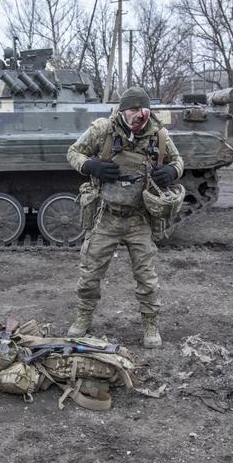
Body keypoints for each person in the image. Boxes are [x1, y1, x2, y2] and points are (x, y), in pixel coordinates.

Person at [66, 86, 184, 348]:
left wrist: (171, 173)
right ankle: (83, 316)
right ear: (122, 111)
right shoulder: (102, 130)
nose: (139, 114)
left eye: (143, 109)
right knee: (90, 272)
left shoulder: (159, 135)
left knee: (147, 276)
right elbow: (73, 153)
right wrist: (90, 165)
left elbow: (179, 162)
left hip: (138, 218)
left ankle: (150, 323)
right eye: (133, 109)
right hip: (106, 215)